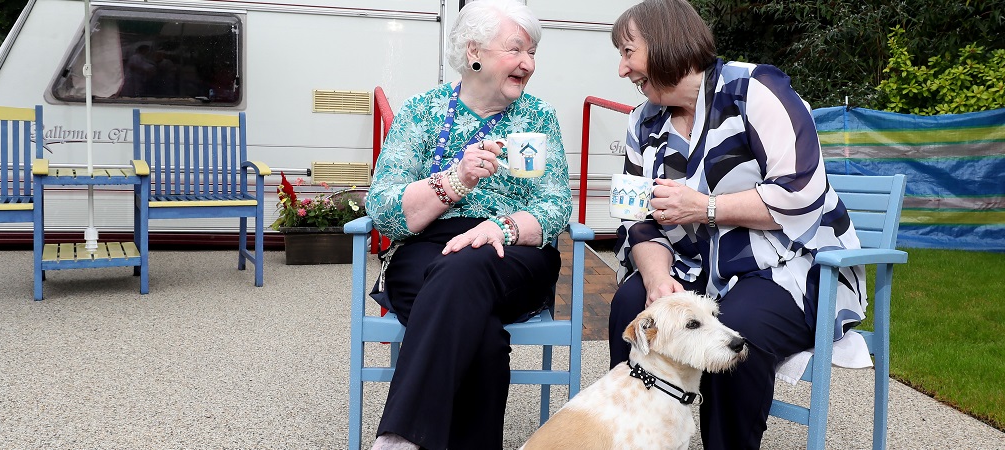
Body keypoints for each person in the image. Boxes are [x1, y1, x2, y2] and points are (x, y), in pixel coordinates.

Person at [606, 1, 870, 449]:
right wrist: (654, 277)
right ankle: (638, 438)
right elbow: (639, 220)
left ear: (667, 42)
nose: (622, 68)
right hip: (693, 273)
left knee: (737, 329)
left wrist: (705, 207)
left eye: (629, 51)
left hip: (787, 270)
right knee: (631, 308)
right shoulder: (643, 122)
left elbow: (801, 193)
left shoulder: (756, 90)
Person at [364, 0, 571, 448]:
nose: (528, 63)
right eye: (516, 49)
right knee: (481, 335)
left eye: (532, 52)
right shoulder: (423, 112)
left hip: (514, 252)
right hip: (426, 247)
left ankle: (400, 436)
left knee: (466, 265)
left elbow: (555, 205)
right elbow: (383, 207)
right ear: (474, 50)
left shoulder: (538, 117)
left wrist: (504, 228)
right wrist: (454, 181)